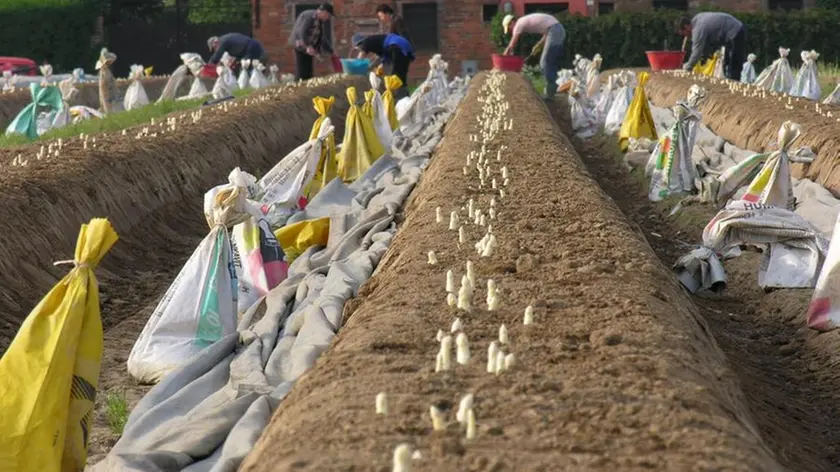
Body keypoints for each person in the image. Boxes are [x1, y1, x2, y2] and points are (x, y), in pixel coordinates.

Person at [502, 13, 565, 101]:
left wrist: (503, 57)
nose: (510, 30)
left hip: (555, 30)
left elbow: (512, 44)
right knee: (549, 61)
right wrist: (539, 44)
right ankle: (552, 90)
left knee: (545, 62)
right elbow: (547, 31)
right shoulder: (523, 21)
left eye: (509, 28)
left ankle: (550, 93)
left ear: (512, 22)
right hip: (557, 29)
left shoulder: (518, 24)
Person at [676, 12, 747, 81]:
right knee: (727, 64)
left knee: (734, 65)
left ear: (686, 27)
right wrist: (706, 55)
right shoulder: (696, 19)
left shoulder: (698, 29)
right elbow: (709, 39)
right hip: (731, 30)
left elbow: (696, 52)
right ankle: (731, 82)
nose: (686, 36)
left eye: (684, 34)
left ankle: (734, 86)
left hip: (735, 31)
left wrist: (687, 69)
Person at [352, 33, 414, 99]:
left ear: (358, 44)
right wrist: (373, 66)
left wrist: (355, 68)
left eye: (357, 48)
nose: (359, 49)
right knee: (401, 74)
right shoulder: (376, 42)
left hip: (396, 45)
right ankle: (405, 96)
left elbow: (361, 56)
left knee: (396, 75)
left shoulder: (366, 42)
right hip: (405, 45)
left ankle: (400, 97)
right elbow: (379, 58)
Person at [289, 3, 335, 81]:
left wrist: (331, 51)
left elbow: (321, 37)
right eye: (328, 16)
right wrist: (308, 46)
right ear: (324, 12)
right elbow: (302, 32)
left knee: (309, 72)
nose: (328, 18)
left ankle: (307, 89)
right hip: (300, 46)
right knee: (301, 72)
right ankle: (297, 88)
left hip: (309, 48)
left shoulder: (320, 21)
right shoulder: (310, 17)